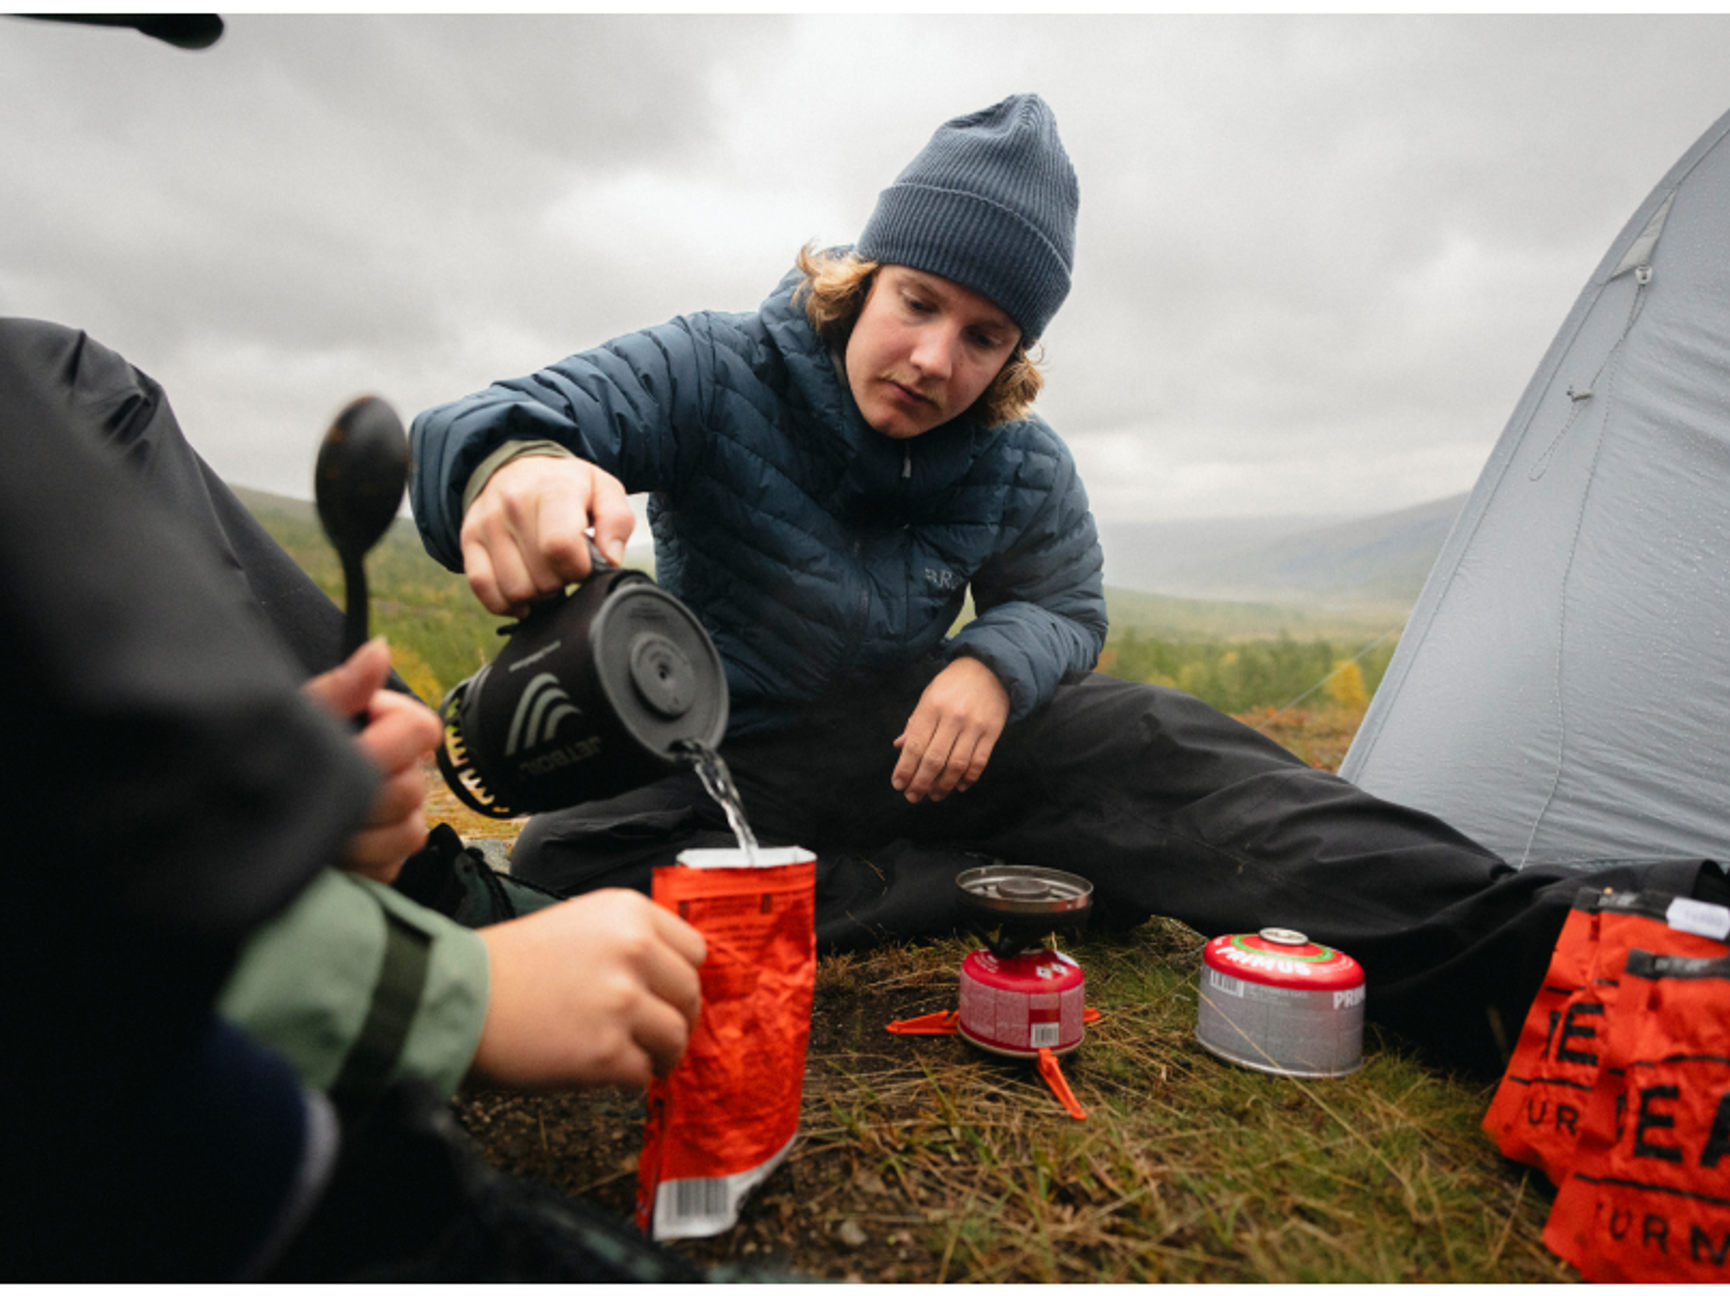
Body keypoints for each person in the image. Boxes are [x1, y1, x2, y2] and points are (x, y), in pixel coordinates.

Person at [410, 93, 1728, 1080]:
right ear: (863, 274)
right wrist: (514, 470)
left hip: (912, 751)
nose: (935, 358)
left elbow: (1067, 606)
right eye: (918, 301)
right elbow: (509, 416)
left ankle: (1548, 950)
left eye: (985, 334)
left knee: (1140, 738)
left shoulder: (1016, 457)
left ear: (1017, 350)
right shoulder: (715, 364)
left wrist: (993, 666)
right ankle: (1002, 880)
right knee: (567, 868)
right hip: (717, 767)